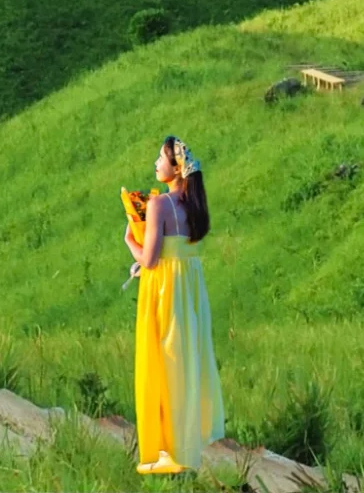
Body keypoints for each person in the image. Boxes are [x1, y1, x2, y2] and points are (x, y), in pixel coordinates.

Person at [124, 135, 225, 474]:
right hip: (190, 292)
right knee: (186, 365)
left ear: (175, 167)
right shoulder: (195, 207)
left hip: (164, 293)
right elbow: (177, 253)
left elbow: (151, 260)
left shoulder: (159, 205)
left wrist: (130, 244)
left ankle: (166, 450)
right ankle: (186, 445)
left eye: (161, 158)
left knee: (161, 365)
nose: (155, 163)